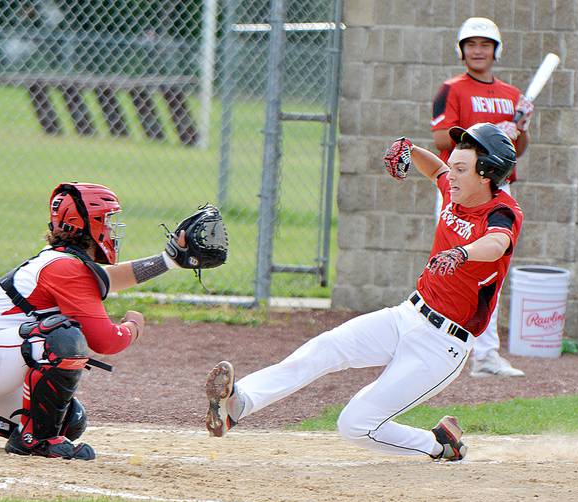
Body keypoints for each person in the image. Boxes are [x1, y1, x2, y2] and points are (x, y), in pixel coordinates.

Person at [203, 123, 522, 461]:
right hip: (407, 315)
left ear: (486, 174)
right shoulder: (456, 190)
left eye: (462, 169)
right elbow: (437, 170)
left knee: (354, 424)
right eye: (453, 167)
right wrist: (410, 151)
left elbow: (497, 242)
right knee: (325, 348)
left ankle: (440, 445)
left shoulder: (502, 212)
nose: (451, 175)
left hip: (441, 347)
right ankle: (238, 404)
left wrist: (463, 252)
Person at [0, 182, 200, 460]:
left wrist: (170, 260)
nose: (111, 228)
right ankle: (36, 441)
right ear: (87, 224)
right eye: (106, 220)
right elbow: (106, 340)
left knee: (69, 421)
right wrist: (134, 326)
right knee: (62, 338)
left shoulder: (63, 262)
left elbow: (111, 278)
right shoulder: (65, 266)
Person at [430, 17, 534, 377]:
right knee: (453, 266)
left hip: (496, 191)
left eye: (485, 44)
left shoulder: (510, 95)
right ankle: (440, 344)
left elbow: (519, 149)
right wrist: (486, 135)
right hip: (460, 187)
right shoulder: (452, 88)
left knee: (491, 271)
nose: (478, 51)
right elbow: (443, 140)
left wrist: (519, 127)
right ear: (462, 50)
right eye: (471, 44)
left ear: (495, 50)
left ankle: (486, 355)